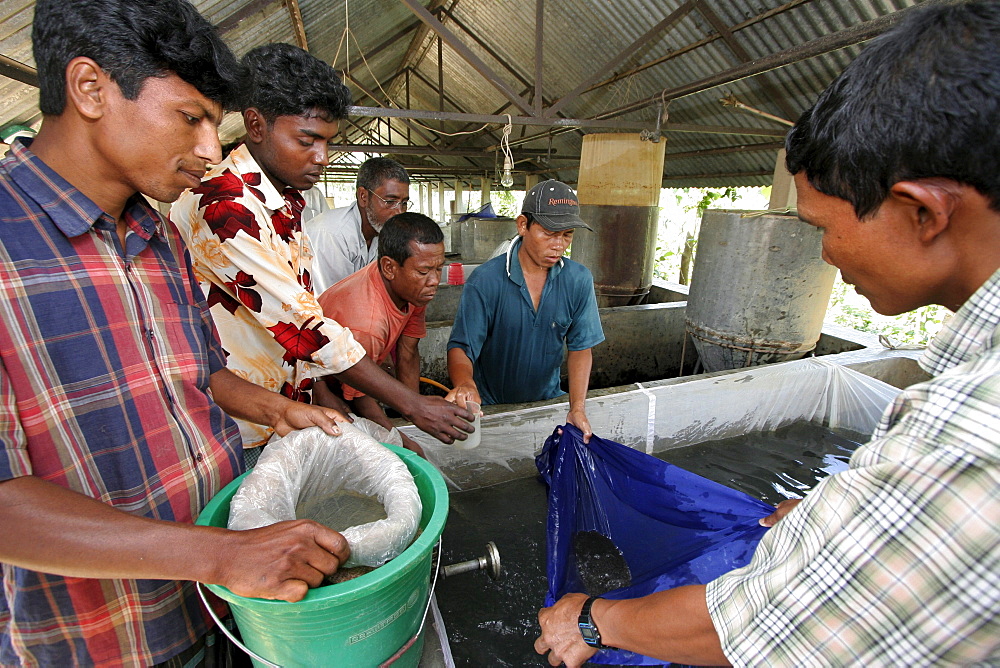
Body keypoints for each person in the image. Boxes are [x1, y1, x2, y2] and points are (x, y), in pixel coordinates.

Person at [535, 1, 1000, 665]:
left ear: (922, 212)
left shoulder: (975, 432)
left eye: (821, 229)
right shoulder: (968, 377)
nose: (825, 257)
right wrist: (827, 517)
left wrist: (590, 620)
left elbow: (772, 626)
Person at [0, 2, 357, 665]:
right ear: (89, 89)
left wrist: (272, 407)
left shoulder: (155, 232)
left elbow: (195, 374)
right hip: (109, 639)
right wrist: (222, 554)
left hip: (222, 603)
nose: (208, 151)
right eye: (189, 118)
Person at [171, 43, 472, 464]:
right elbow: (306, 326)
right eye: (307, 140)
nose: (322, 158)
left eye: (327, 142)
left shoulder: (284, 200)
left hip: (287, 407)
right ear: (256, 125)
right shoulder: (226, 206)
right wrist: (413, 404)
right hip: (242, 424)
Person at [446, 180, 605, 441]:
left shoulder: (578, 280)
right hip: (491, 407)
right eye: (548, 233)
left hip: (548, 404)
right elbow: (462, 347)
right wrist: (465, 384)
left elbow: (580, 349)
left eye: (567, 235)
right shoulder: (486, 280)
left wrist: (576, 407)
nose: (559, 245)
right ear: (523, 225)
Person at [318, 212, 446, 456]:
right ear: (389, 267)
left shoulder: (414, 288)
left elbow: (408, 352)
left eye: (439, 268)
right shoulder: (368, 324)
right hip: (320, 384)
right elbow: (360, 398)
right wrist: (404, 443)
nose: (434, 280)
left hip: (355, 373)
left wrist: (415, 416)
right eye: (424, 271)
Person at [304, 156, 411, 294]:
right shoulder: (333, 235)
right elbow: (330, 301)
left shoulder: (380, 232)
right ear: (363, 196)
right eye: (390, 202)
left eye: (404, 203)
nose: (399, 212)